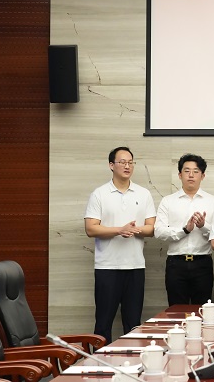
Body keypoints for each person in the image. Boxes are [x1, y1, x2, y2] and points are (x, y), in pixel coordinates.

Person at [84, 146, 156, 341]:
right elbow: (91, 228)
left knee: (133, 324)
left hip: (135, 267)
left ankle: (132, 360)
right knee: (103, 323)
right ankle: (99, 360)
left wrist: (134, 229)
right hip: (107, 267)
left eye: (130, 162)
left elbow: (152, 228)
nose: (127, 166)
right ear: (111, 165)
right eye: (122, 162)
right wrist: (119, 230)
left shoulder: (143, 194)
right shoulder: (99, 194)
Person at [154, 153, 214, 306]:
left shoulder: (213, 201)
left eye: (196, 171)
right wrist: (184, 230)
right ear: (179, 175)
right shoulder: (168, 201)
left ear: (202, 176)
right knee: (176, 310)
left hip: (202, 263)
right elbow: (158, 231)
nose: (191, 175)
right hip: (176, 264)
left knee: (203, 310)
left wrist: (203, 226)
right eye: (187, 171)